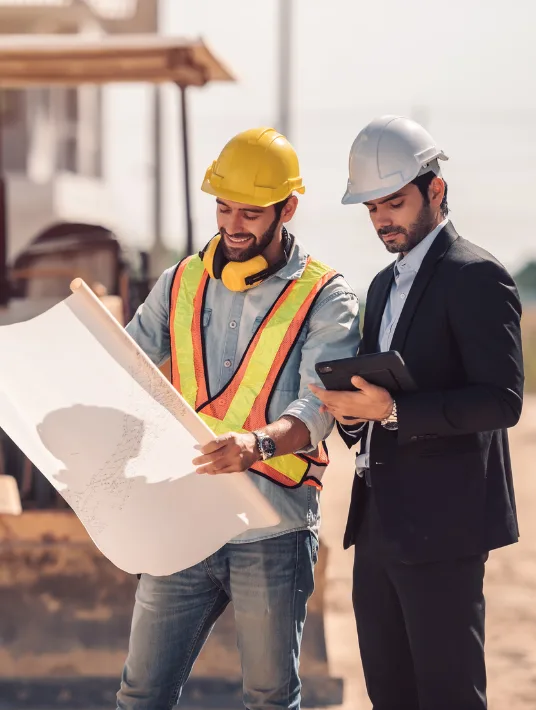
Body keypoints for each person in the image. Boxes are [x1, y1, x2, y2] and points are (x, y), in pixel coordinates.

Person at [116, 127, 360, 710]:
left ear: (287, 208)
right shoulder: (179, 283)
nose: (232, 224)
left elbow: (319, 406)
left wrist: (256, 443)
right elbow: (123, 365)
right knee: (141, 694)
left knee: (269, 698)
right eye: (224, 208)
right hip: (184, 518)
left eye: (251, 212)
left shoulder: (325, 297)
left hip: (272, 529)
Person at [310, 115, 524, 710]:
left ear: (436, 190)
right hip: (378, 526)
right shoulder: (380, 286)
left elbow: (503, 400)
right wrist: (354, 414)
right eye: (372, 207)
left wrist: (397, 410)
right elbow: (379, 407)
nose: (382, 219)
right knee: (390, 696)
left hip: (446, 528)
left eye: (394, 202)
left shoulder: (476, 276)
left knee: (449, 696)